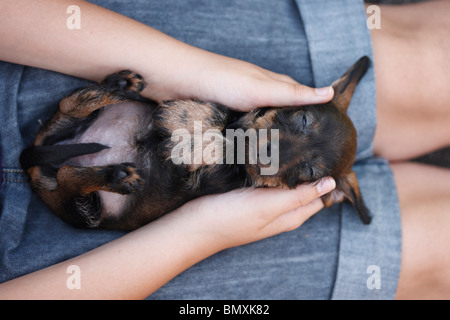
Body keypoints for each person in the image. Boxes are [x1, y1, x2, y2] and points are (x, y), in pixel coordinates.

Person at [0, 0, 448, 299]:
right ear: (337, 90)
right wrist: (204, 234)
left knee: (430, 69)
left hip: (49, 62)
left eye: (308, 167)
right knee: (436, 243)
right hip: (82, 266)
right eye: (304, 123)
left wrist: (187, 69)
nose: (272, 145)